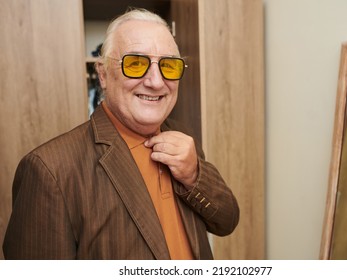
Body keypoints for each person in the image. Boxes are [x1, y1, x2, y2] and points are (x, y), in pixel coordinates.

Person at [3, 8, 239, 260]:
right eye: (135, 64)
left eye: (169, 66)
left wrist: (194, 175)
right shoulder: (50, 170)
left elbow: (227, 221)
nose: (156, 82)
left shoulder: (183, 138)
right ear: (103, 75)